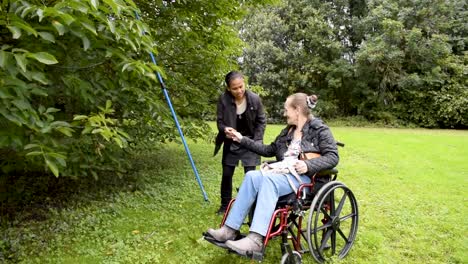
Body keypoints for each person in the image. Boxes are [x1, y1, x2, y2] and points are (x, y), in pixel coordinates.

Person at [205, 93, 339, 256]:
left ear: (297, 110)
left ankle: (255, 240)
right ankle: (229, 230)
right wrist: (241, 139)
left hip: (306, 181)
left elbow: (333, 156)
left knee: (269, 181)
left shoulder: (319, 129)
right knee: (252, 176)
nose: (284, 113)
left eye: (286, 109)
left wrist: (307, 164)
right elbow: (269, 150)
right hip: (283, 174)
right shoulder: (287, 132)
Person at [214, 71, 266, 215]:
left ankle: (250, 206)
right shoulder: (223, 100)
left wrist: (257, 141)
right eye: (235, 88)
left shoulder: (255, 99)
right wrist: (225, 129)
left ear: (244, 83)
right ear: (228, 89)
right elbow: (219, 121)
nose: (239, 91)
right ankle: (225, 205)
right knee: (227, 174)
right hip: (231, 141)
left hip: (250, 141)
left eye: (241, 86)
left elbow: (261, 121)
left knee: (251, 175)